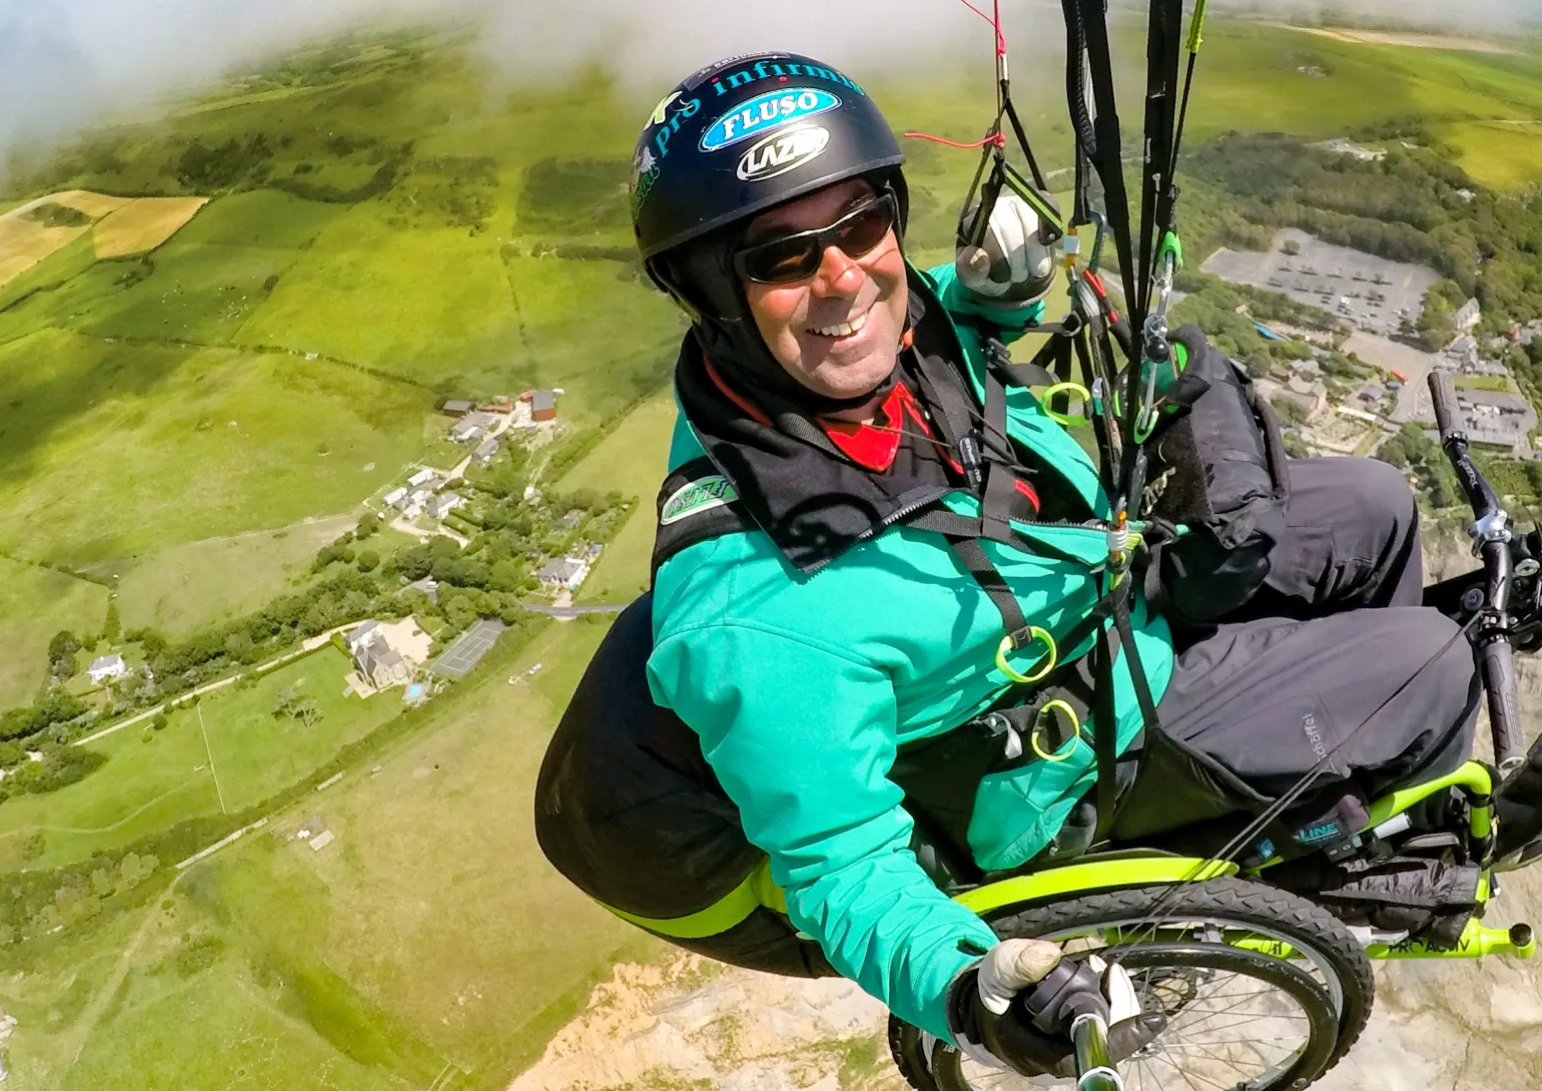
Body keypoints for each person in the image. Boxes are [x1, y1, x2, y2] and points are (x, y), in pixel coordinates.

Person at [536, 52, 1480, 1078]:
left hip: (1075, 591)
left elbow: (948, 315)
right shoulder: (758, 616)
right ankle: (1326, 853)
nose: (844, 278)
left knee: (1380, 507)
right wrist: (970, 988)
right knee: (1431, 661)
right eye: (784, 258)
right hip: (1046, 740)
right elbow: (844, 872)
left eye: (861, 227)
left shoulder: (846, 350)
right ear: (712, 293)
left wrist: (1005, 292)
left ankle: (1317, 768)